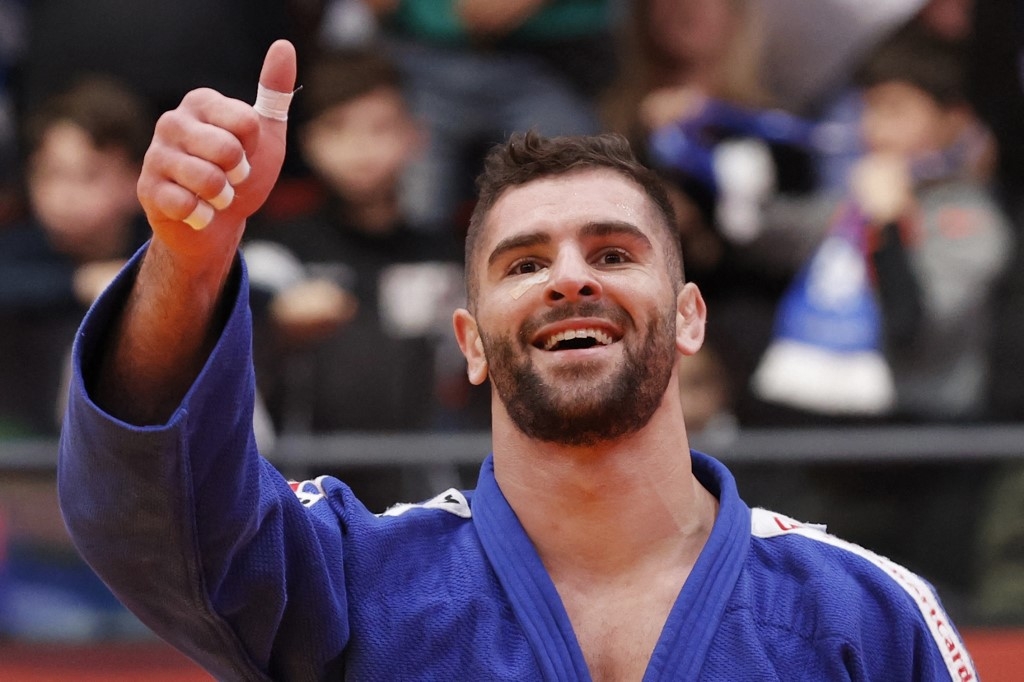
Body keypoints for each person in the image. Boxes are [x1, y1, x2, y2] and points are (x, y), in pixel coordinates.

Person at [56, 40, 976, 680]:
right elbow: (161, 528)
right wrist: (190, 258)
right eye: (525, 263)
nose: (569, 280)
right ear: (470, 343)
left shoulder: (866, 617)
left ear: (691, 317)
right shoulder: (358, 586)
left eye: (614, 253)